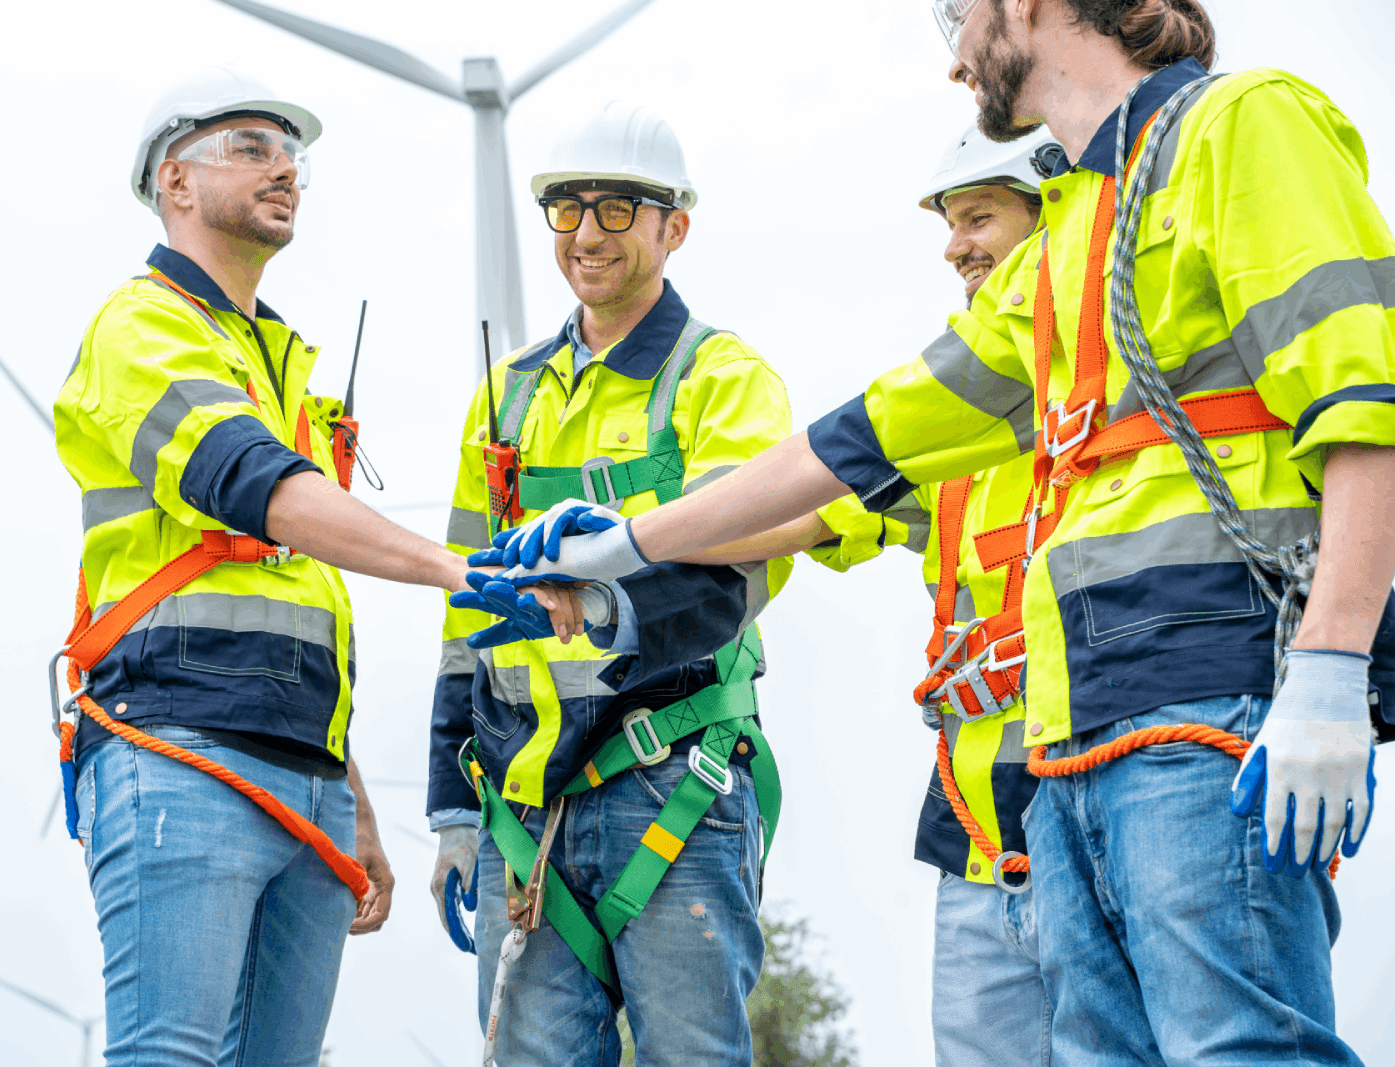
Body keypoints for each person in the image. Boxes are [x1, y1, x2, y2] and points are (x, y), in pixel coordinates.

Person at [476, 3, 1395, 1063]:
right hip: (1069, 740)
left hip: (1202, 709)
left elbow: (1366, 395)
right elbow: (866, 435)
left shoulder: (1245, 125)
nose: (954, 49)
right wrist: (629, 542)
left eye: (960, 14)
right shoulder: (1071, 236)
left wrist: (1329, 664)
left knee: (1238, 1047)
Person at [53, 66, 570, 1066]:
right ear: (174, 181)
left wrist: (351, 794)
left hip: (305, 778)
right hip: (182, 751)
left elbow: (294, 581)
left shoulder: (275, 357)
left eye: (292, 154)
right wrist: (458, 570)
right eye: (250, 147)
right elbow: (267, 491)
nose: (285, 168)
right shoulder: (142, 330)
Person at [426, 101, 792, 1066]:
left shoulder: (722, 379)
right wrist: (452, 806)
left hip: (671, 782)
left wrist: (599, 606)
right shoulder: (505, 397)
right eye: (567, 208)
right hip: (524, 805)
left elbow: (737, 576)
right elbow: (465, 615)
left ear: (676, 225)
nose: (587, 233)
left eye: (619, 209)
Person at [688, 120, 1061, 1067]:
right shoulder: (953, 431)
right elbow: (808, 512)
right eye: (951, 222)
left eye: (979, 216)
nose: (954, 246)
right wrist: (637, 537)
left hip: (1109, 811)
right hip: (982, 836)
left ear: (1055, 208)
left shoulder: (1129, 390)